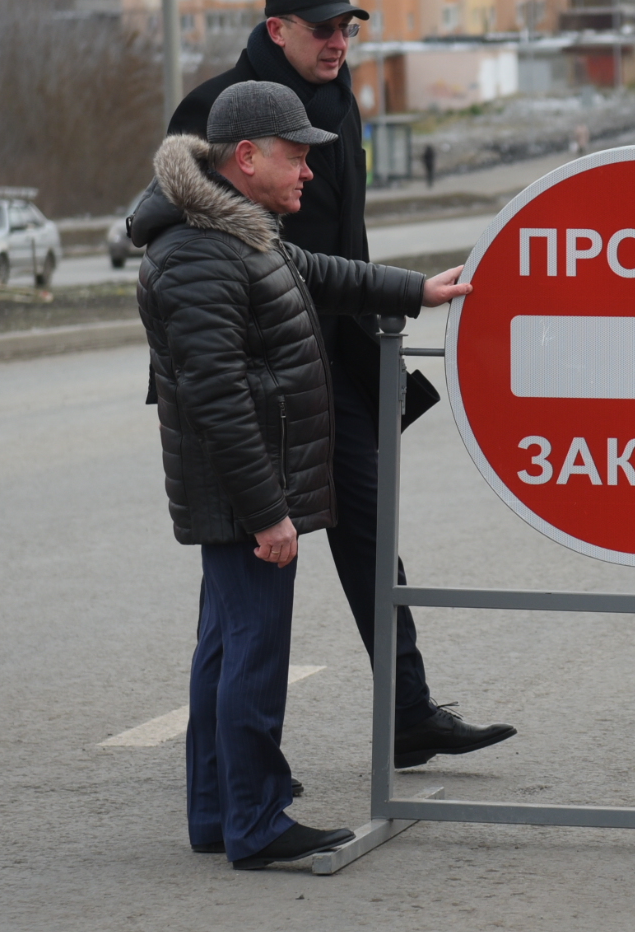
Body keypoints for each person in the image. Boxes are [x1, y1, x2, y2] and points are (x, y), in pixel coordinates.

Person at [168, 0, 514, 773]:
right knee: (243, 575)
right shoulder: (219, 108)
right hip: (259, 370)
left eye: (348, 27)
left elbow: (334, 248)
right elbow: (200, 241)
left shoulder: (336, 97)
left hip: (334, 355)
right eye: (322, 28)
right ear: (275, 27)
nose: (338, 41)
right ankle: (224, 776)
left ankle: (408, 712)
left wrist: (399, 297)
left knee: (370, 532)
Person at [132, 82, 473, 869]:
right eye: (294, 156)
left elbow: (319, 271)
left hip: (244, 493)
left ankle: (218, 812)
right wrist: (267, 514)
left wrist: (416, 290)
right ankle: (256, 821)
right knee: (252, 653)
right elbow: (217, 400)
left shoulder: (235, 232)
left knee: (224, 649)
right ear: (245, 158)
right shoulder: (195, 254)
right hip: (243, 495)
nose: (307, 173)